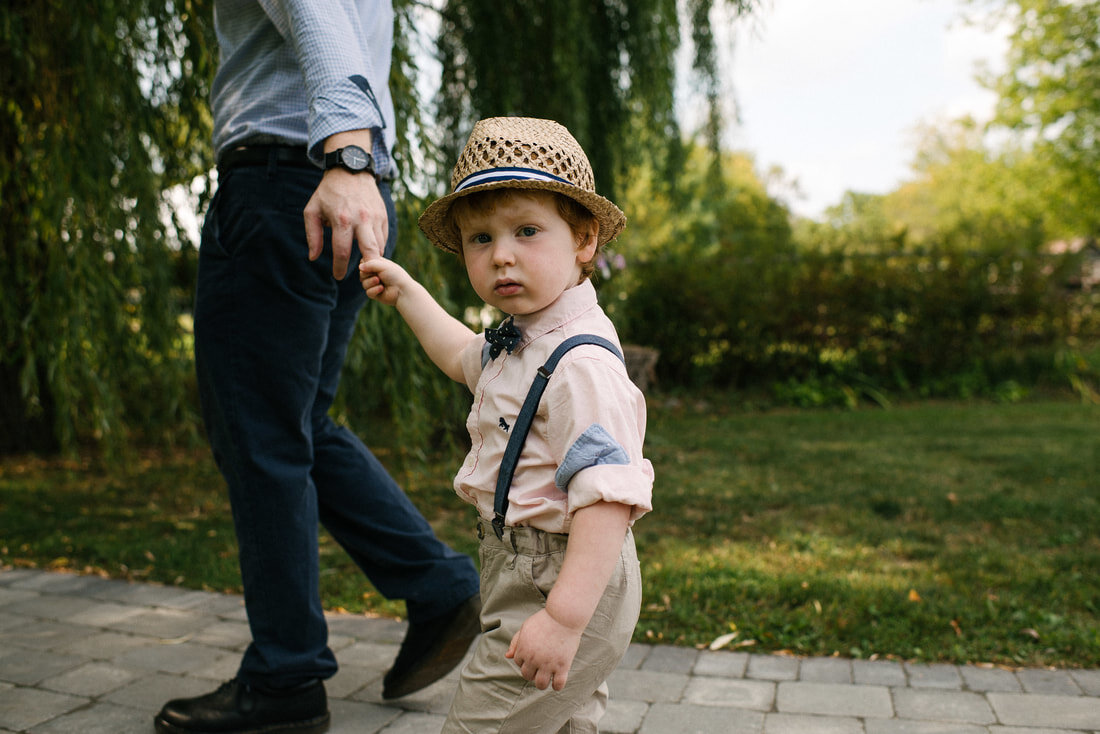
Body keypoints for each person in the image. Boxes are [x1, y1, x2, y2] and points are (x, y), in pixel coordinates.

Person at [154, 2, 481, 733]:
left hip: (293, 179)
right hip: (338, 187)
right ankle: (437, 586)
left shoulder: (331, 162)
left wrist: (345, 155)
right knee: (295, 423)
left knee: (261, 434)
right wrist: (355, 164)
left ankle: (285, 677)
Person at [359, 116, 654, 733]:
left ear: (583, 241)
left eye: (527, 231)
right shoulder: (523, 342)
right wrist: (409, 293)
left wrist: (565, 618)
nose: (502, 256)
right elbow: (463, 358)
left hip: (565, 576)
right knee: (561, 721)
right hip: (523, 567)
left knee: (483, 724)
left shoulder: (579, 364)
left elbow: (607, 502)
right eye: (480, 239)